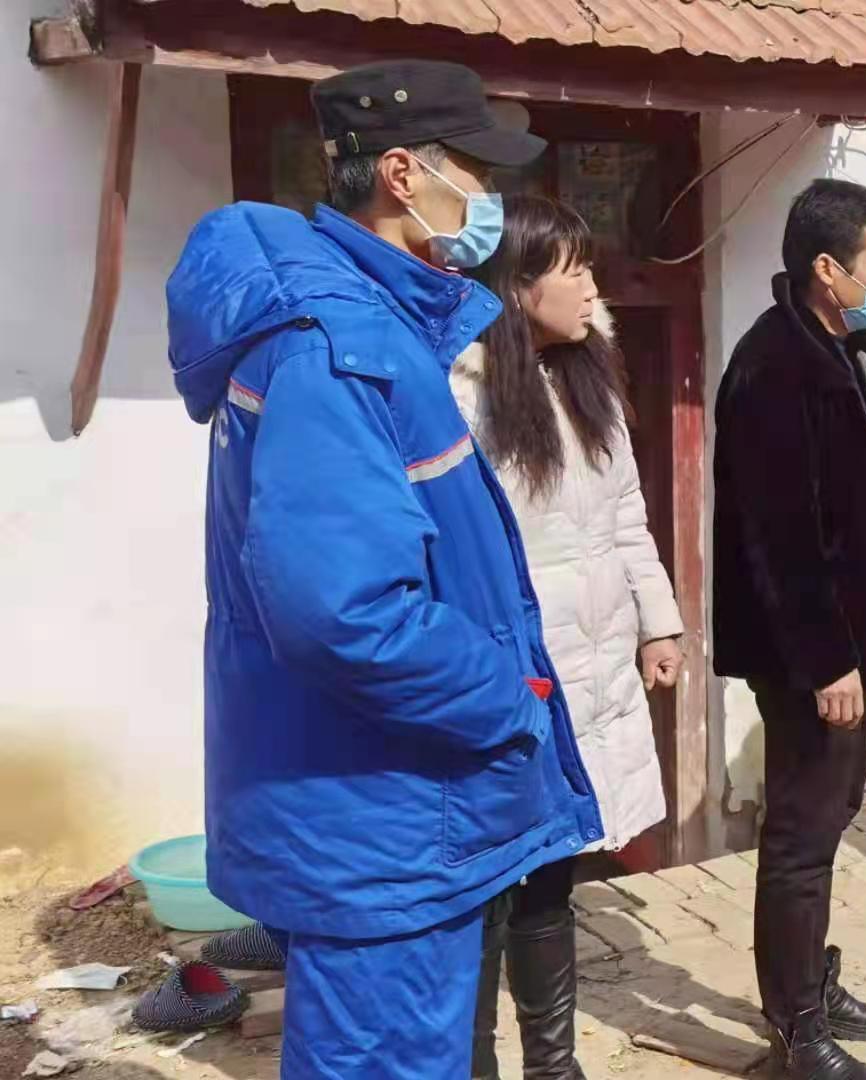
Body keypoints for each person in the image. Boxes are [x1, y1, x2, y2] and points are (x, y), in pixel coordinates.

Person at [164, 60, 600, 1077]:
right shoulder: (339, 345)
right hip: (381, 819)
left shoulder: (366, 321)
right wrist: (510, 696)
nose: (491, 203)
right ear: (406, 175)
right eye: (479, 175)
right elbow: (346, 611)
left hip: (375, 798)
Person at [451, 194, 686, 1079]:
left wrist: (658, 623)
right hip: (513, 676)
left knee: (554, 870)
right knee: (490, 884)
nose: (592, 286)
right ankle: (472, 1064)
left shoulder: (592, 381)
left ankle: (553, 1066)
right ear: (517, 287)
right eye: (573, 270)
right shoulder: (463, 395)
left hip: (595, 667)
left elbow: (627, 516)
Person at [712, 178, 866, 1080]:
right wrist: (829, 659)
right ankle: (795, 1031)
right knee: (798, 836)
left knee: (829, 819)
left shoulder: (839, 347)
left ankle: (811, 985)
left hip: (849, 643)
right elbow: (781, 536)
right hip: (807, 654)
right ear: (828, 270)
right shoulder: (775, 368)